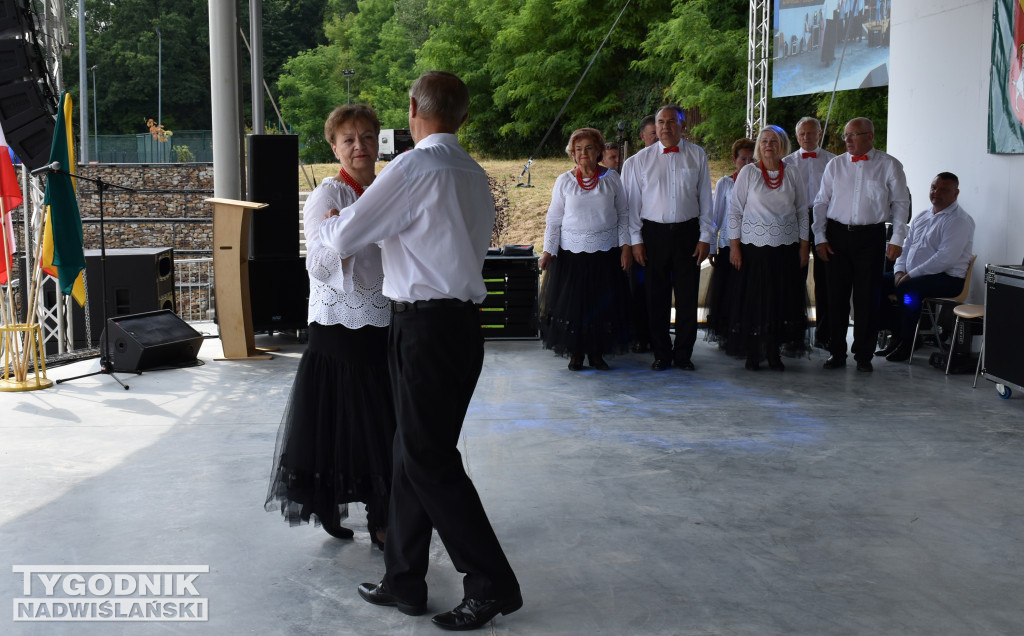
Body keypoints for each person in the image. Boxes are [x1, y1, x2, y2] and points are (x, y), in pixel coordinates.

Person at [319, 71, 521, 632]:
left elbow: (342, 238)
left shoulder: (414, 166)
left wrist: (336, 221)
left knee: (428, 460)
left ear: (412, 108)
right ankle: (403, 579)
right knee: (410, 452)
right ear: (465, 116)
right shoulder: (472, 171)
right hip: (459, 328)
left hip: (424, 330)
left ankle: (491, 584)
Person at [265, 104, 394, 551]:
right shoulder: (327, 195)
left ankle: (382, 510)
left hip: (382, 316)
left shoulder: (384, 188)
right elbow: (318, 265)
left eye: (367, 137)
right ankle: (354, 510)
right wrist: (348, 234)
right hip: (340, 323)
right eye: (348, 139)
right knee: (344, 422)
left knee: (380, 421)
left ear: (379, 140)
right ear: (334, 147)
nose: (359, 146)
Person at [812, 117, 910, 372]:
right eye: (846, 135)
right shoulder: (835, 165)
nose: (847, 140)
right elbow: (821, 202)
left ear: (870, 136)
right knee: (836, 297)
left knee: (868, 297)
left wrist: (897, 239)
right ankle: (836, 351)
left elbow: (901, 204)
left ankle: (864, 355)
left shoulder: (889, 165)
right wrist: (820, 237)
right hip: (836, 235)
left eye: (854, 135)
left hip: (871, 236)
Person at [622, 105, 714, 371]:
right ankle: (661, 353)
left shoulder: (697, 155)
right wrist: (636, 240)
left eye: (672, 121)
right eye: (661, 122)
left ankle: (683, 354)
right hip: (654, 235)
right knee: (655, 297)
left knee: (687, 298)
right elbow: (632, 206)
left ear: (683, 126)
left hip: (688, 233)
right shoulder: (639, 160)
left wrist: (706, 236)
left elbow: (705, 200)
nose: (665, 126)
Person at [538, 128, 632, 371]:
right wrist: (549, 251)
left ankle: (597, 353)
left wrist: (625, 247)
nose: (583, 153)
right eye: (578, 149)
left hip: (606, 253)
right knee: (575, 306)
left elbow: (623, 214)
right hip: (571, 255)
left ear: (599, 151)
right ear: (572, 153)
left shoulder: (612, 179)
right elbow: (554, 219)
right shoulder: (564, 181)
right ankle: (576, 353)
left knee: (600, 305)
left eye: (588, 148)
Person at [727, 125, 810, 370]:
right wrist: (734, 246)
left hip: (785, 248)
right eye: (764, 141)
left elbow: (802, 211)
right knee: (754, 302)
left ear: (782, 145)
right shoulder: (749, 173)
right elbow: (734, 210)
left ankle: (774, 352)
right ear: (758, 146)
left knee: (779, 301)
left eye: (774, 141)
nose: (768, 145)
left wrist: (805, 247)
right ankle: (753, 353)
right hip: (753, 248)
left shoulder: (793, 173)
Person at [876, 172, 974, 362]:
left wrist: (911, 275)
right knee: (875, 282)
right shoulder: (922, 216)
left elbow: (945, 258)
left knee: (908, 292)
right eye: (934, 188)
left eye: (944, 189)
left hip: (948, 279)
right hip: (913, 275)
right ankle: (897, 331)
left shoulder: (959, 220)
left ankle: (908, 340)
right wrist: (899, 271)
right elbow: (905, 247)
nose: (937, 192)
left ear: (956, 193)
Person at [783, 116, 837, 350]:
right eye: (802, 134)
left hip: (826, 219)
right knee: (794, 277)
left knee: (827, 279)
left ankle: (825, 335)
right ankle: (792, 335)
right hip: (796, 220)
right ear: (796, 137)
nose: (806, 137)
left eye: (810, 133)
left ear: (819, 133)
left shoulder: (833, 161)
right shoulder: (786, 163)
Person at [705, 137, 755, 350]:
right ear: (734, 160)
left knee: (747, 293)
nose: (746, 163)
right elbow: (716, 216)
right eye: (742, 159)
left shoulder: (760, 182)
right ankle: (728, 334)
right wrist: (710, 246)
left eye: (751, 159)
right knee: (728, 292)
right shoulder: (726, 183)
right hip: (728, 244)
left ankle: (747, 333)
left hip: (752, 245)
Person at [621, 114, 659, 353]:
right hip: (640, 231)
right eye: (653, 134)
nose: (658, 137)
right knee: (639, 288)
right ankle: (640, 335)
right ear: (643, 137)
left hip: (665, 232)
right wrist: (634, 241)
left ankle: (659, 336)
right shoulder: (633, 163)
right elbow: (628, 206)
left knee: (662, 289)